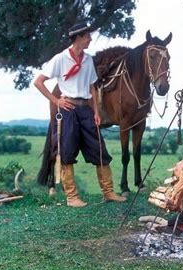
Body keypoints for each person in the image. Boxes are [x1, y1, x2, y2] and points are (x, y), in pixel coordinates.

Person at [34, 22, 126, 207]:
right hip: (67, 110)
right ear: (78, 38)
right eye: (87, 36)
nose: (90, 39)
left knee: (99, 149)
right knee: (67, 151)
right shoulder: (60, 59)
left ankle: (108, 192)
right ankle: (72, 197)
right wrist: (56, 100)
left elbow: (92, 87)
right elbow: (39, 81)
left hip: (86, 110)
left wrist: (96, 111)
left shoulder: (88, 60)